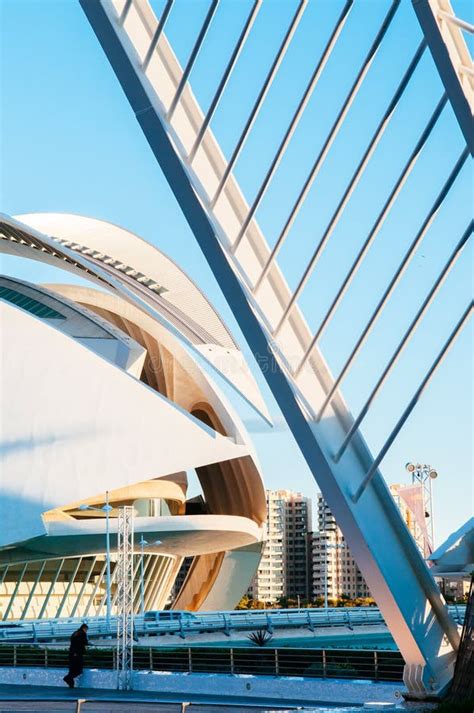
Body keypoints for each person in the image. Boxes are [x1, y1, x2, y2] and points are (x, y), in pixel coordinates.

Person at [63, 623, 88, 688]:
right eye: (86, 630)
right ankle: (67, 678)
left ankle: (71, 684)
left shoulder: (75, 633)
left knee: (72, 669)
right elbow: (85, 642)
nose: (86, 631)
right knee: (79, 670)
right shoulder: (83, 633)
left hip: (71, 653)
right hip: (78, 654)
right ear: (84, 628)